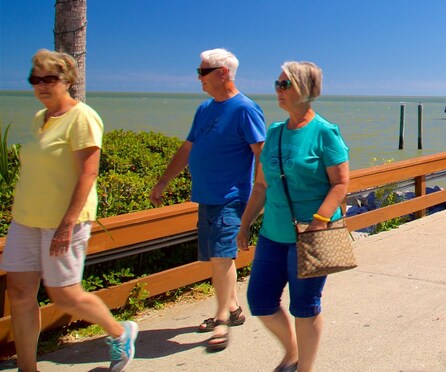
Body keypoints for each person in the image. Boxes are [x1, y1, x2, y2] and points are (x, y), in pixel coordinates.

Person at [0, 50, 138, 371]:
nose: (42, 85)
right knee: (20, 294)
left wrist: (67, 223)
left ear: (68, 81)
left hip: (65, 221)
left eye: (50, 78)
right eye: (36, 79)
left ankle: (120, 332)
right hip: (26, 219)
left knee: (64, 295)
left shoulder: (83, 117)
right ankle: (27, 367)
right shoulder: (40, 118)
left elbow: (88, 174)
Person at [237, 61, 350, 372]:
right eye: (277, 83)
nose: (278, 89)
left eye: (284, 84)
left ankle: (305, 368)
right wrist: (245, 224)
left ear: (304, 89)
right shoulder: (274, 133)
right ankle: (291, 352)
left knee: (305, 307)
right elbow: (260, 185)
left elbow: (340, 183)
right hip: (272, 234)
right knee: (259, 300)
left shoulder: (324, 133)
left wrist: (319, 220)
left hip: (310, 235)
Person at [150, 48, 266, 352]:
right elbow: (188, 148)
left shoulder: (245, 109)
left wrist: (259, 195)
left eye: (202, 71)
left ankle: (221, 320)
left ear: (222, 73)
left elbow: (261, 155)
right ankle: (234, 310)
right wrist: (164, 180)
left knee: (221, 256)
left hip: (231, 197)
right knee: (216, 257)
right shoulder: (204, 109)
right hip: (206, 197)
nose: (197, 77)